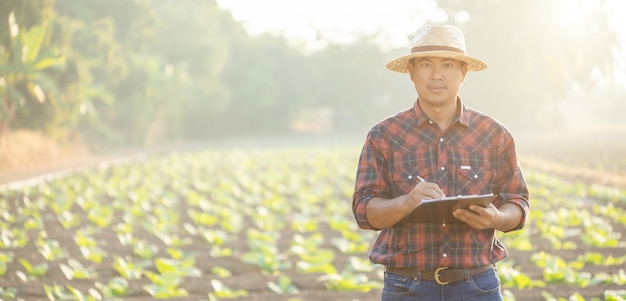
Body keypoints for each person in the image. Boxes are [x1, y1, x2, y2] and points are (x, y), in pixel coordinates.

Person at [352, 24, 530, 301]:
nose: (436, 75)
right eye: (425, 64)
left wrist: (497, 217)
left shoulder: (494, 134)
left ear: (463, 73)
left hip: (477, 286)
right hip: (406, 287)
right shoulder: (384, 135)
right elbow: (365, 211)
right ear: (411, 72)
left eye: (447, 65)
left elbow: (518, 203)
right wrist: (407, 202)